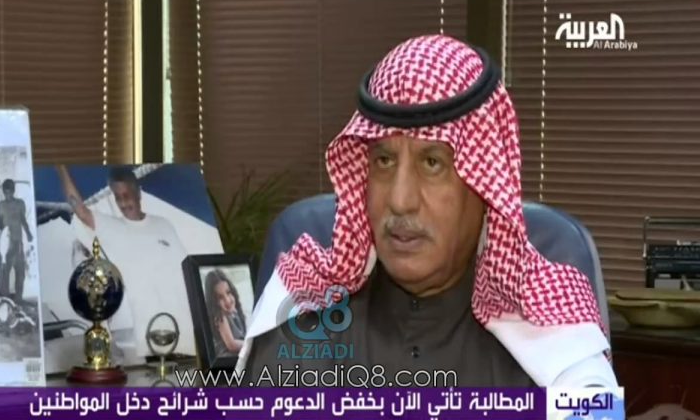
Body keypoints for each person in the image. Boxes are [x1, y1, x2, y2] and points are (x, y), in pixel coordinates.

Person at [237, 35, 617, 388]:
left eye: (432, 163)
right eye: (384, 160)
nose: (400, 200)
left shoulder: (563, 351)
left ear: (485, 181)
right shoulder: (300, 325)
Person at [56, 165, 194, 360]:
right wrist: (61, 167)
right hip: (155, 343)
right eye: (118, 197)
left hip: (190, 337)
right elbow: (79, 209)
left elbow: (188, 271)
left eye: (127, 195)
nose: (123, 202)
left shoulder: (163, 224)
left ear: (138, 193)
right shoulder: (112, 228)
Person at [0, 179, 33, 303]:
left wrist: (28, 233)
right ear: (3, 192)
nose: (8, 195)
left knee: (20, 272)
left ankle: (18, 298)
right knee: (4, 272)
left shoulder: (20, 203)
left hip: (18, 243)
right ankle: (5, 298)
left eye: (10, 192)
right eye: (5, 192)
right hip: (6, 243)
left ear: (13, 191)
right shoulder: (0, 205)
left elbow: (23, 219)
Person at [204, 269, 247, 357]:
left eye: (228, 292)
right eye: (220, 297)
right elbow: (231, 345)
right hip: (228, 356)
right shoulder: (220, 317)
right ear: (213, 302)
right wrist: (252, 345)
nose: (227, 300)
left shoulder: (235, 312)